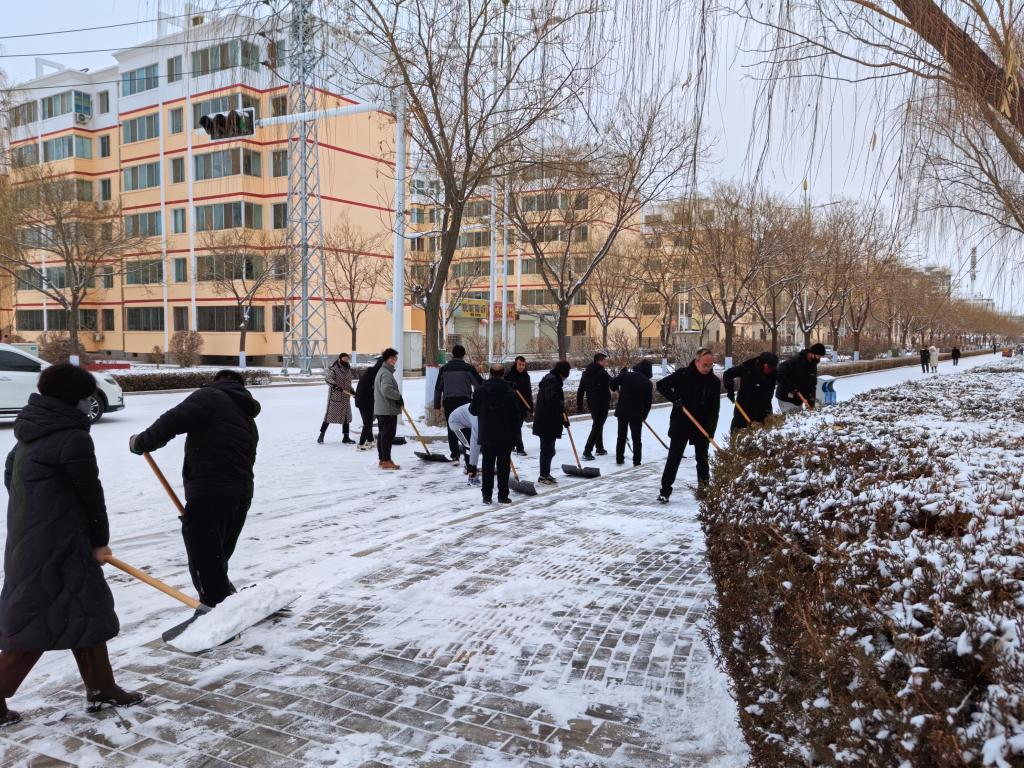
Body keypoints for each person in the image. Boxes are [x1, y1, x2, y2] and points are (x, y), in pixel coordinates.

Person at [1, 365, 143, 724]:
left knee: (85, 612)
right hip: (60, 546)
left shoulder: (31, 428)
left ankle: (102, 688)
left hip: (31, 539)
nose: (88, 403)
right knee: (36, 623)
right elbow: (90, 496)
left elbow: (11, 476)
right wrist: (99, 542)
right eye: (86, 396)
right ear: (75, 399)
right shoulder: (71, 437)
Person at [130, 370, 260, 610]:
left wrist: (142, 442)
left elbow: (172, 420)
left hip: (210, 491)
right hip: (240, 495)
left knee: (205, 557)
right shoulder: (246, 416)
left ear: (217, 382)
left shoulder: (210, 396)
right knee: (216, 556)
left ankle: (215, 611)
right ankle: (223, 598)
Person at [656, 349, 720, 502]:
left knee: (702, 460)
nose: (708, 368)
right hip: (681, 423)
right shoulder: (683, 374)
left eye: (710, 365)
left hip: (702, 426)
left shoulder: (714, 382)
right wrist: (674, 398)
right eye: (705, 365)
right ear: (697, 362)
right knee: (674, 458)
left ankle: (704, 491)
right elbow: (661, 385)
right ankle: (665, 491)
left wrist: (710, 431)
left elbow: (714, 409)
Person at [470, 364, 520, 504]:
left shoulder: (480, 391)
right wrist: (517, 438)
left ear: (490, 373)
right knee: (503, 467)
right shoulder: (510, 392)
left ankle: (486, 496)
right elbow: (516, 417)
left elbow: (472, 410)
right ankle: (503, 496)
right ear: (503, 374)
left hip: (487, 434)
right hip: (505, 435)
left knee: (487, 466)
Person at [433, 345, 483, 463]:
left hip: (449, 403)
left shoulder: (444, 369)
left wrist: (437, 406)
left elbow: (438, 389)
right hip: (465, 403)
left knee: (452, 428)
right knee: (466, 429)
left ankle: (454, 454)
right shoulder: (468, 368)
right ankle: (468, 456)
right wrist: (478, 400)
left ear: (452, 354)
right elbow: (479, 384)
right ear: (463, 355)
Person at [533, 361, 571, 485]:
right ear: (563, 372)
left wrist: (563, 416)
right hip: (547, 422)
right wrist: (562, 409)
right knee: (547, 450)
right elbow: (552, 400)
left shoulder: (550, 380)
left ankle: (545, 473)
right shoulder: (552, 382)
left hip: (547, 421)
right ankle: (543, 476)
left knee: (549, 450)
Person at [610, 359, 653, 466]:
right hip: (636, 414)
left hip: (622, 411)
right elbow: (648, 403)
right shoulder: (647, 383)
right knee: (636, 439)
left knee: (621, 436)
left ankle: (619, 458)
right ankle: (637, 462)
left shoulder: (626, 375)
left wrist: (617, 390)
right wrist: (644, 416)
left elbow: (612, 383)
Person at [723, 352, 779, 433]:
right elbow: (728, 374)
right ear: (762, 363)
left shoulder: (773, 373)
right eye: (769, 367)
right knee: (738, 433)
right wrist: (730, 390)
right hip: (744, 408)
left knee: (765, 435)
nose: (770, 370)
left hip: (764, 410)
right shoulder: (747, 368)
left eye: (773, 368)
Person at [577, 352, 612, 461]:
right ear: (600, 361)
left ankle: (599, 448)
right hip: (602, 403)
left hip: (592, 403)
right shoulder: (602, 373)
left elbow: (580, 390)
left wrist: (579, 406)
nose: (605, 363)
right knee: (597, 426)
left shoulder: (586, 373)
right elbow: (613, 383)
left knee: (598, 424)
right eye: (604, 361)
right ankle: (587, 451)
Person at [374, 348, 403, 471]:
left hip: (382, 409)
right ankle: (386, 460)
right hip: (387, 410)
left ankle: (383, 459)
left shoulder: (382, 371)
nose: (395, 360)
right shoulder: (386, 373)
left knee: (383, 435)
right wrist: (398, 397)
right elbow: (386, 390)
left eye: (395, 358)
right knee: (387, 436)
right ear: (388, 359)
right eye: (393, 358)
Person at [775, 343, 825, 414]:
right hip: (786, 397)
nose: (819, 359)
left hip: (798, 400)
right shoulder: (796, 361)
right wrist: (792, 387)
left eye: (820, 357)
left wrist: (811, 402)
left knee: (800, 417)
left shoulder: (812, 365)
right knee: (792, 419)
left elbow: (812, 384)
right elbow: (779, 372)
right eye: (818, 356)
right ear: (812, 353)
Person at [318, 353, 355, 444]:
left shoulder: (348, 369)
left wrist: (352, 391)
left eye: (347, 359)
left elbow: (348, 383)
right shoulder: (334, 369)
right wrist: (335, 386)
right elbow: (328, 378)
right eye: (344, 358)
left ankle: (346, 437)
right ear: (340, 359)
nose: (346, 360)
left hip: (345, 397)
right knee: (329, 417)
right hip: (335, 397)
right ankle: (321, 435)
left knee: (346, 417)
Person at [506, 355, 533, 456]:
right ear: (516, 364)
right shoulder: (510, 375)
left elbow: (529, 391)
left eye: (523, 365)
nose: (521, 367)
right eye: (519, 364)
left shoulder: (526, 376)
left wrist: (530, 406)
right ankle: (520, 448)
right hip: (512, 405)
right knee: (517, 427)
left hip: (523, 405)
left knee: (517, 427)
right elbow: (504, 386)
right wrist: (510, 386)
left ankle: (512, 444)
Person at [354, 356, 383, 450]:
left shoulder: (370, 372)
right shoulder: (376, 374)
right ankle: (361, 444)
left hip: (361, 400)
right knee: (367, 423)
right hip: (366, 401)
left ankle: (370, 440)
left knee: (367, 422)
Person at [447, 402, 480, 483]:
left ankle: (468, 466)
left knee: (470, 445)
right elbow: (474, 442)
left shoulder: (484, 411)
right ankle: (472, 475)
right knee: (469, 446)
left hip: (466, 422)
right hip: (456, 422)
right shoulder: (477, 417)